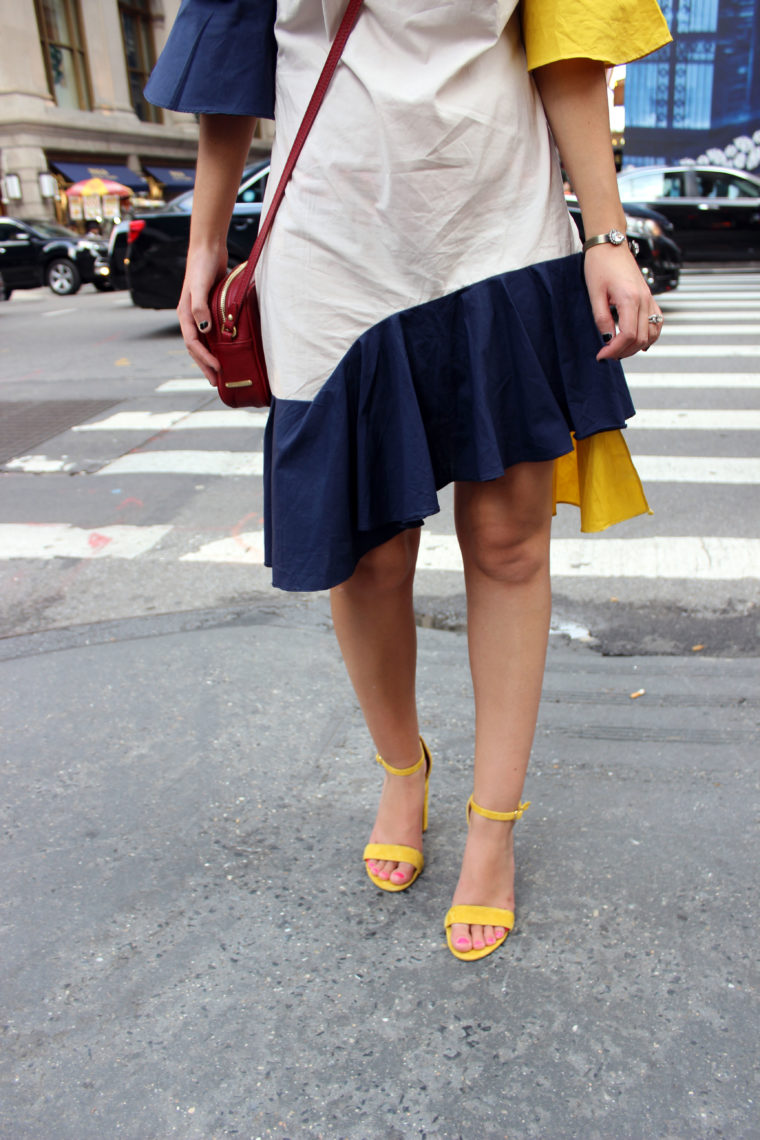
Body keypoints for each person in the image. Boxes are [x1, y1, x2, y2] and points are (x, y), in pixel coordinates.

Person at [145, 0, 671, 962]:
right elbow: (229, 54)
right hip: (329, 243)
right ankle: (401, 766)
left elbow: (569, 45)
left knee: (509, 542)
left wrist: (607, 233)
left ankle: (492, 822)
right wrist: (204, 241)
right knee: (366, 556)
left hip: (497, 221)